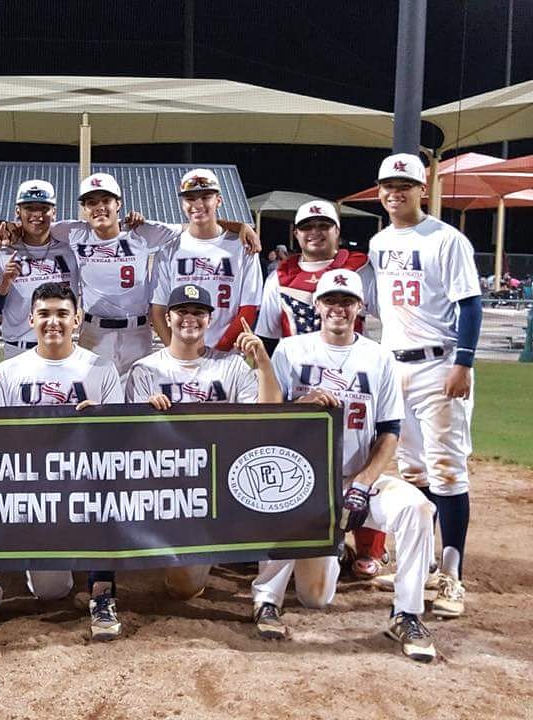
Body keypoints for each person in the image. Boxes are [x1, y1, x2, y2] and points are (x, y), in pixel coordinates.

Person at [260, 269, 438, 662]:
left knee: (419, 508)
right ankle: (266, 599)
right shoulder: (291, 350)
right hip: (303, 479)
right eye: (331, 300)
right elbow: (268, 420)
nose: (338, 308)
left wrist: (364, 481)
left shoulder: (378, 357)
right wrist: (299, 406)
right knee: (315, 598)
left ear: (360, 307)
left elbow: (390, 430)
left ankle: (406, 613)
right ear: (317, 305)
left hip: (359, 476)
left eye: (347, 301)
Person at [0, 282, 124, 641]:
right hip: (24, 484)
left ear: (77, 319)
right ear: (31, 318)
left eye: (63, 314)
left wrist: (100, 422)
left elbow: (118, 441)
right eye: (45, 314)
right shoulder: (9, 370)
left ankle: (102, 592)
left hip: (81, 482)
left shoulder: (100, 368)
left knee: (106, 494)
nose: (54, 322)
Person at [366, 153, 482, 619]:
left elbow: (470, 305)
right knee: (414, 472)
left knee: (447, 470)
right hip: (396, 366)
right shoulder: (377, 243)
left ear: (421, 189)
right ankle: (424, 564)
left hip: (440, 363)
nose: (396, 192)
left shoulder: (447, 239)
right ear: (380, 192)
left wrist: (465, 363)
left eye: (405, 185)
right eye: (388, 186)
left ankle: (452, 575)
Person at [254, 199, 385, 579]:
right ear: (295, 234)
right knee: (299, 465)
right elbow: (270, 335)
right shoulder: (281, 273)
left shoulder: (359, 267)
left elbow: (383, 313)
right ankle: (294, 542)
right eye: (307, 226)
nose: (315, 232)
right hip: (302, 380)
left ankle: (369, 547)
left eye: (323, 225)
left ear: (336, 231)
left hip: (354, 373)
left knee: (362, 455)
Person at [127, 283, 281, 598]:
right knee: (185, 588)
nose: (190, 318)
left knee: (279, 496)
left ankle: (266, 597)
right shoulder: (145, 370)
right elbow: (134, 445)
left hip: (225, 482)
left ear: (209, 319)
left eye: (199, 312)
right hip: (173, 489)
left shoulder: (232, 365)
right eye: (182, 311)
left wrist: (263, 363)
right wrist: (146, 416)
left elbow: (268, 416)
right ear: (167, 318)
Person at [46, 172, 259, 379]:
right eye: (91, 202)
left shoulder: (143, 232)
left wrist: (240, 226)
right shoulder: (74, 232)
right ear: (84, 208)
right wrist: (11, 228)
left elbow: (195, 225)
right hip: (94, 331)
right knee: (94, 399)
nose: (99, 207)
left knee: (137, 399)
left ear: (118, 204)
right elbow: (34, 228)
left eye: (106, 200)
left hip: (136, 332)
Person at [150, 169, 263, 353]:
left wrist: (219, 353)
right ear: (182, 203)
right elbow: (158, 309)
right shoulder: (168, 248)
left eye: (205, 197)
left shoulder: (243, 245)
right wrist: (177, 352)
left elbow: (249, 308)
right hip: (182, 355)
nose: (197, 204)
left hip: (228, 354)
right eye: (190, 198)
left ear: (218, 200)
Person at [0, 180, 78, 359]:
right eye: (29, 207)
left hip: (62, 347)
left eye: (44, 208)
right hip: (18, 350)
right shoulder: (2, 253)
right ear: (18, 212)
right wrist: (5, 282)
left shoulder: (71, 250)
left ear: (54, 212)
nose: (37, 214)